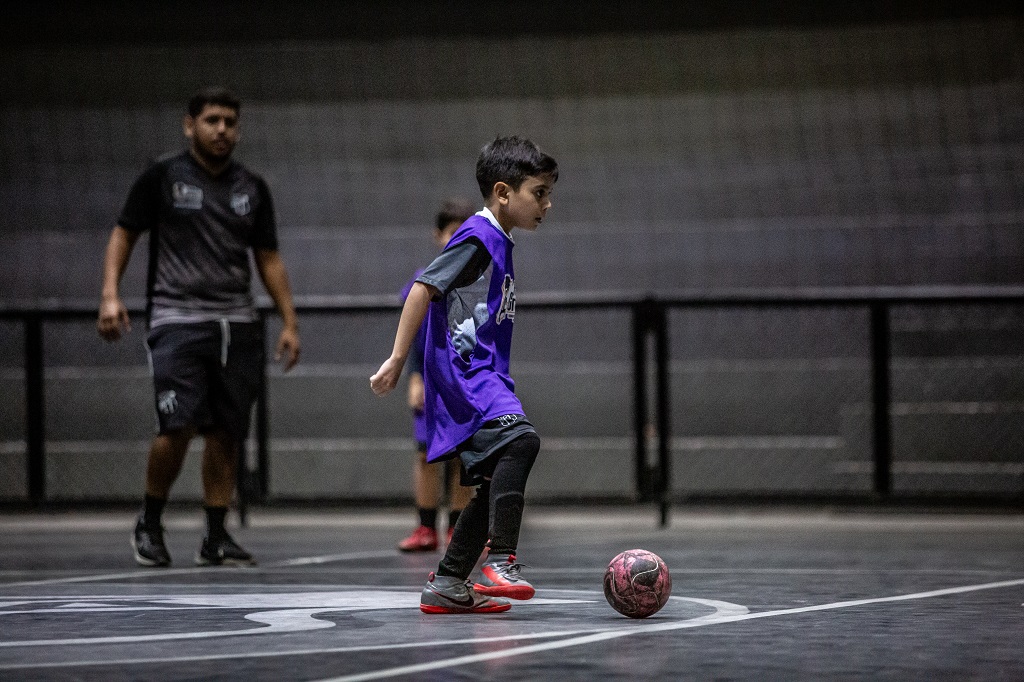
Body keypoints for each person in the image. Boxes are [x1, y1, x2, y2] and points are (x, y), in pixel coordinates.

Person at [97, 86, 301, 568]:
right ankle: (149, 522)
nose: (222, 130)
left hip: (237, 322)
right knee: (178, 425)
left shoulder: (252, 187)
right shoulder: (162, 177)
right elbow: (124, 231)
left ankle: (215, 534)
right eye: (212, 120)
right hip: (176, 320)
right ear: (190, 125)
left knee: (227, 430)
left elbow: (268, 258)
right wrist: (110, 293)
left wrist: (289, 321)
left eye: (230, 121)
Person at [371, 136, 558, 613]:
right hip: (465, 374)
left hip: (484, 373)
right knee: (522, 442)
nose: (547, 204)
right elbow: (420, 289)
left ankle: (449, 581)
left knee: (495, 476)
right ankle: (501, 560)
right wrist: (397, 360)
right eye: (539, 192)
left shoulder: (498, 240)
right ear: (503, 192)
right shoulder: (478, 236)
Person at [397, 199, 477, 553]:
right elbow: (415, 335)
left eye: (465, 233)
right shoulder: (424, 281)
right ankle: (426, 527)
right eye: (451, 232)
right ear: (437, 235)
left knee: (462, 457)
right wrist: (415, 378)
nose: (458, 239)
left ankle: (458, 531)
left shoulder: (480, 282)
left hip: (465, 383)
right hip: (431, 381)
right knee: (425, 454)